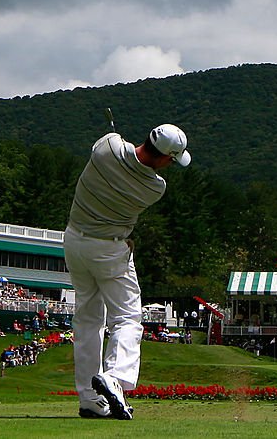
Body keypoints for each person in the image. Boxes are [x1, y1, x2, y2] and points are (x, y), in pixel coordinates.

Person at [64, 123, 191, 420]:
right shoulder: (155, 188)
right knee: (127, 317)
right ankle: (116, 377)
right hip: (109, 248)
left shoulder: (106, 147)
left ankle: (90, 400)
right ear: (163, 158)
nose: (170, 166)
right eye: (171, 161)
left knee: (87, 319)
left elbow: (114, 143)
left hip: (74, 240)